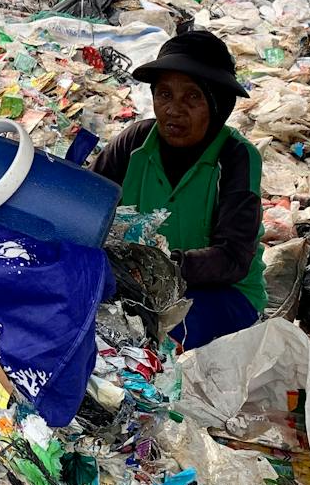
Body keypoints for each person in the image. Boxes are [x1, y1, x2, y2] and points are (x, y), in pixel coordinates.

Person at [92, 29, 265, 349]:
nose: (173, 109)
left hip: (222, 293)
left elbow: (233, 257)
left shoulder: (236, 157)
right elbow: (87, 204)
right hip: (141, 286)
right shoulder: (135, 142)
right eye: (164, 94)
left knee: (158, 342)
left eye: (193, 97)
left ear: (217, 104)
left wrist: (165, 266)